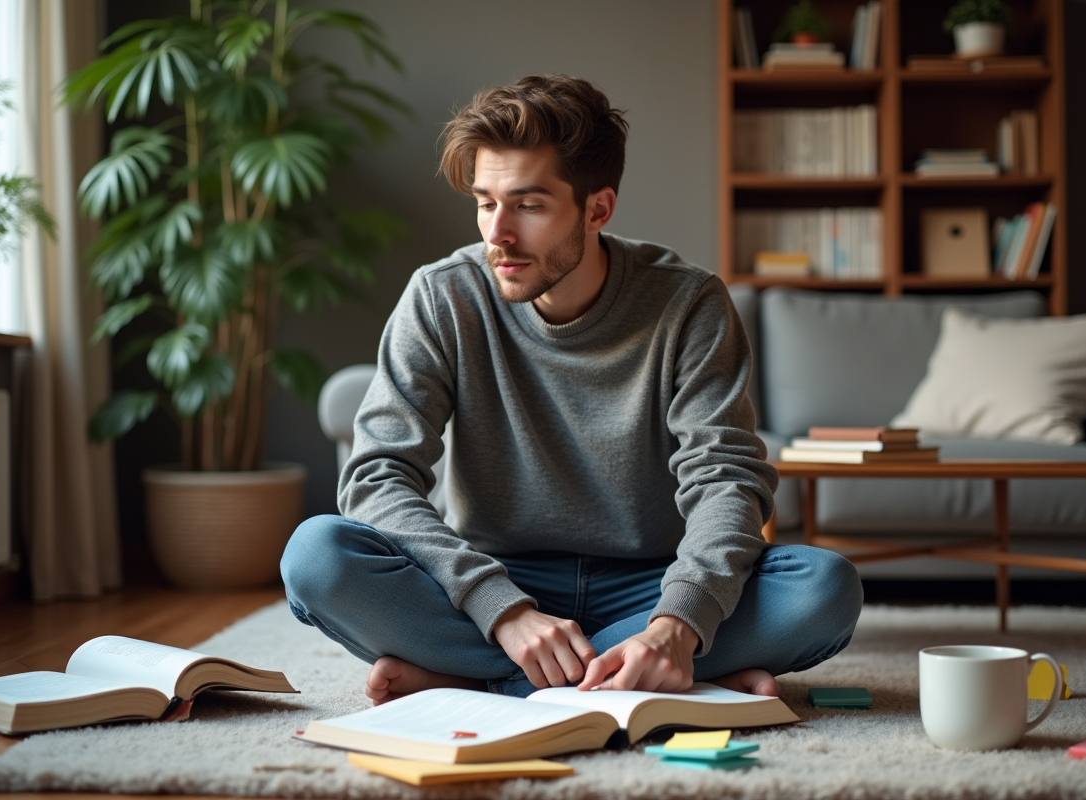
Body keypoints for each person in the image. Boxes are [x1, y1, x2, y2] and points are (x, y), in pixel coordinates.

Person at [281, 74, 862, 705]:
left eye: (528, 206)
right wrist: (502, 610)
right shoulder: (442, 295)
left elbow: (726, 476)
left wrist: (678, 623)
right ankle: (649, 674)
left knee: (823, 586)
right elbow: (376, 477)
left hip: (651, 583)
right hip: (493, 577)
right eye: (485, 202)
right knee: (316, 556)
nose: (497, 233)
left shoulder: (689, 303)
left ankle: (485, 678)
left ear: (597, 209)